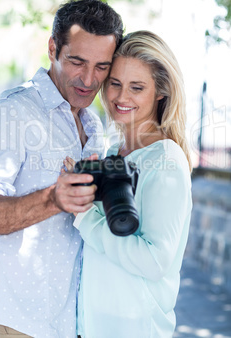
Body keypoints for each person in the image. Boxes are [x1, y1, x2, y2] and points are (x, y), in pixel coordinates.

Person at [0, 0, 123, 338]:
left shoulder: (94, 127)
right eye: (77, 62)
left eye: (101, 66)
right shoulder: (10, 113)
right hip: (14, 323)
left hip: (67, 324)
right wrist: (54, 198)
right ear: (53, 48)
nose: (88, 79)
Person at [71, 30, 193, 337]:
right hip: (97, 326)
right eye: (115, 83)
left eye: (136, 87)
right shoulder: (114, 152)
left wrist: (84, 216)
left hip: (134, 329)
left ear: (160, 92)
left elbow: (154, 260)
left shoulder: (165, 159)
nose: (121, 97)